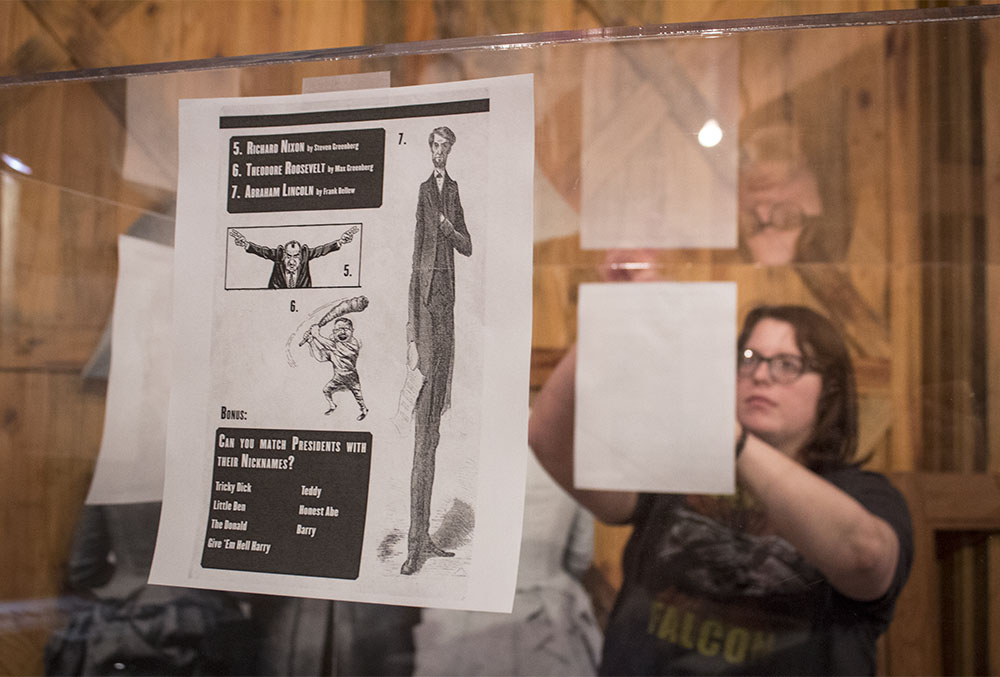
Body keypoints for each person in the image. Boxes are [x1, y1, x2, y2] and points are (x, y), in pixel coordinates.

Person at [528, 304, 913, 675]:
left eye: (786, 365)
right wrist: (612, 317)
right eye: (749, 358)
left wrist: (730, 438)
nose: (760, 375)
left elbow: (864, 556)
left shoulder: (863, 494)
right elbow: (548, 439)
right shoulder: (679, 470)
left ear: (828, 391)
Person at [401, 126, 473, 575]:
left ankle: (424, 538)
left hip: (447, 322)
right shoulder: (425, 192)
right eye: (435, 145)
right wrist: (411, 337)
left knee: (435, 433)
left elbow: (467, 245)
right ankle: (414, 544)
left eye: (446, 145)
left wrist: (450, 228)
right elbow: (414, 263)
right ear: (429, 150)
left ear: (451, 150)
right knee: (422, 439)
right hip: (427, 322)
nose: (440, 151)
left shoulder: (455, 192)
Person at [231, 227, 355, 289]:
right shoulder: (277, 255)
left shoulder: (306, 254)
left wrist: (340, 242)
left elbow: (321, 250)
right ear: (283, 255)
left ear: (301, 256)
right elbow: (262, 251)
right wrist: (246, 244)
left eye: (296, 256)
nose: (291, 261)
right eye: (288, 256)